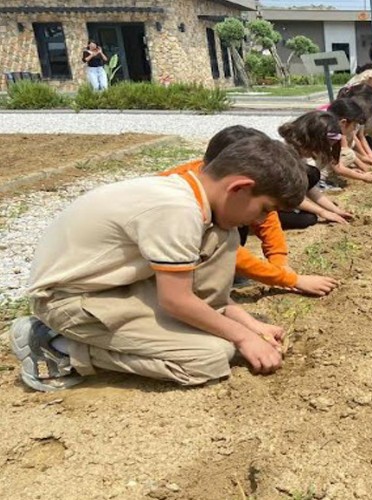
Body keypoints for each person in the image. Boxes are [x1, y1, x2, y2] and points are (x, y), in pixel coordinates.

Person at [10, 135, 308, 392]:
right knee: (211, 356)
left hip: (113, 288)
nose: (259, 221)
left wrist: (250, 325)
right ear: (239, 187)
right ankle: (56, 346)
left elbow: (203, 291)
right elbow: (176, 300)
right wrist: (243, 337)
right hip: (68, 302)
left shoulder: (195, 200)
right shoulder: (176, 210)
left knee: (224, 238)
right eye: (264, 209)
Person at [160, 126, 340, 297]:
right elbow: (226, 249)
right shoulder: (185, 204)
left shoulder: (221, 192)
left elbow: (269, 221)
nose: (262, 217)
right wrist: (290, 279)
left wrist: (279, 261)